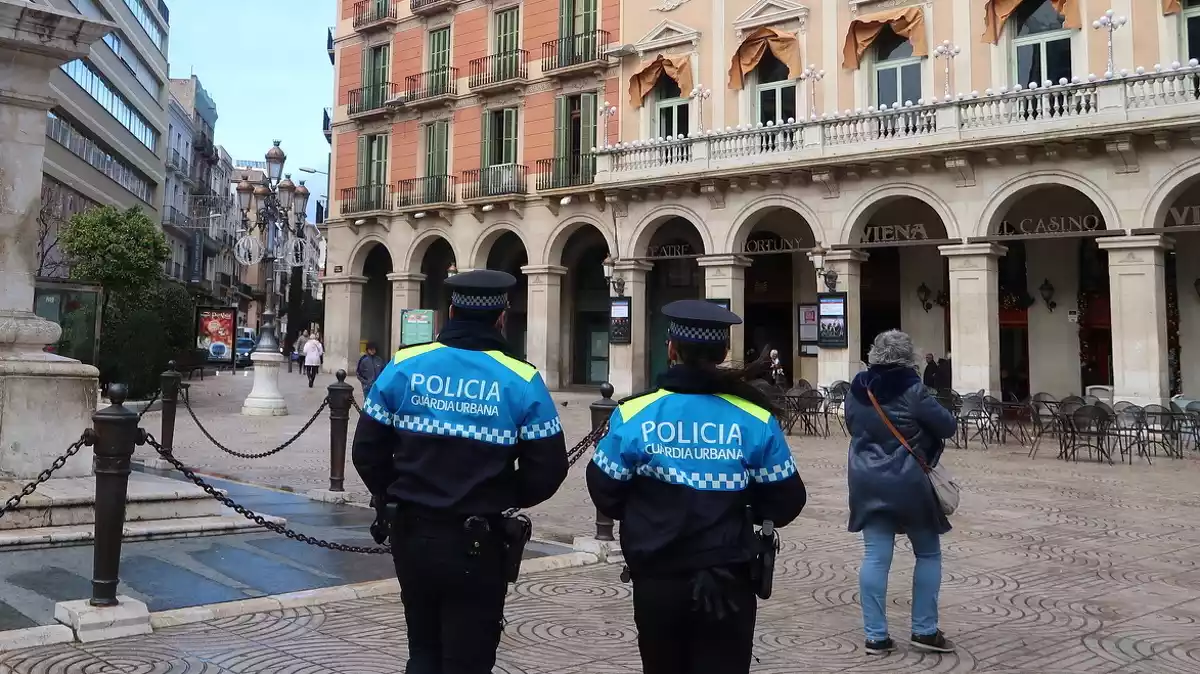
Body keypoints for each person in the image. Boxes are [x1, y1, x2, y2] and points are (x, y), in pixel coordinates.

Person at [351, 269, 568, 674]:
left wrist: (395, 490)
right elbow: (549, 470)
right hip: (479, 540)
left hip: (412, 532)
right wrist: (501, 494)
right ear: (501, 317)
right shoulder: (522, 379)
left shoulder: (403, 364)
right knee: (469, 656)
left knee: (423, 648)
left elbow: (366, 451)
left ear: (450, 312)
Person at [587, 299, 808, 674]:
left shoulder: (634, 412)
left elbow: (605, 491)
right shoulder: (754, 417)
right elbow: (787, 501)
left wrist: (652, 509)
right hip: (728, 582)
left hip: (658, 581)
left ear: (671, 348)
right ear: (723, 352)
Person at [845, 330, 958, 656]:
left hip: (866, 480)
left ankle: (876, 637)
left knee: (875, 557)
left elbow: (853, 426)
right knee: (927, 553)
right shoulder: (913, 390)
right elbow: (947, 426)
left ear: (874, 355)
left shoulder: (856, 389)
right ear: (909, 358)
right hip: (909, 482)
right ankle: (924, 630)